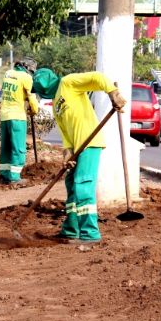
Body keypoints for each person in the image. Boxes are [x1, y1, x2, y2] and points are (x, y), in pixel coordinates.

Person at [32, 68, 126, 243]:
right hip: (76, 148)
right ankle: (71, 229)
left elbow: (97, 78)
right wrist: (67, 153)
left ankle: (90, 233)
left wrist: (113, 94)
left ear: (43, 88)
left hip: (89, 144)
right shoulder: (55, 103)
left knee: (83, 185)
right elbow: (64, 132)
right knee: (72, 185)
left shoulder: (68, 82)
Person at [0, 62, 39, 184]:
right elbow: (31, 97)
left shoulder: (8, 73)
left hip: (4, 116)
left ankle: (4, 174)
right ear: (27, 70)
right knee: (18, 148)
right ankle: (15, 176)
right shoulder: (26, 77)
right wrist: (34, 110)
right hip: (17, 117)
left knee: (6, 147)